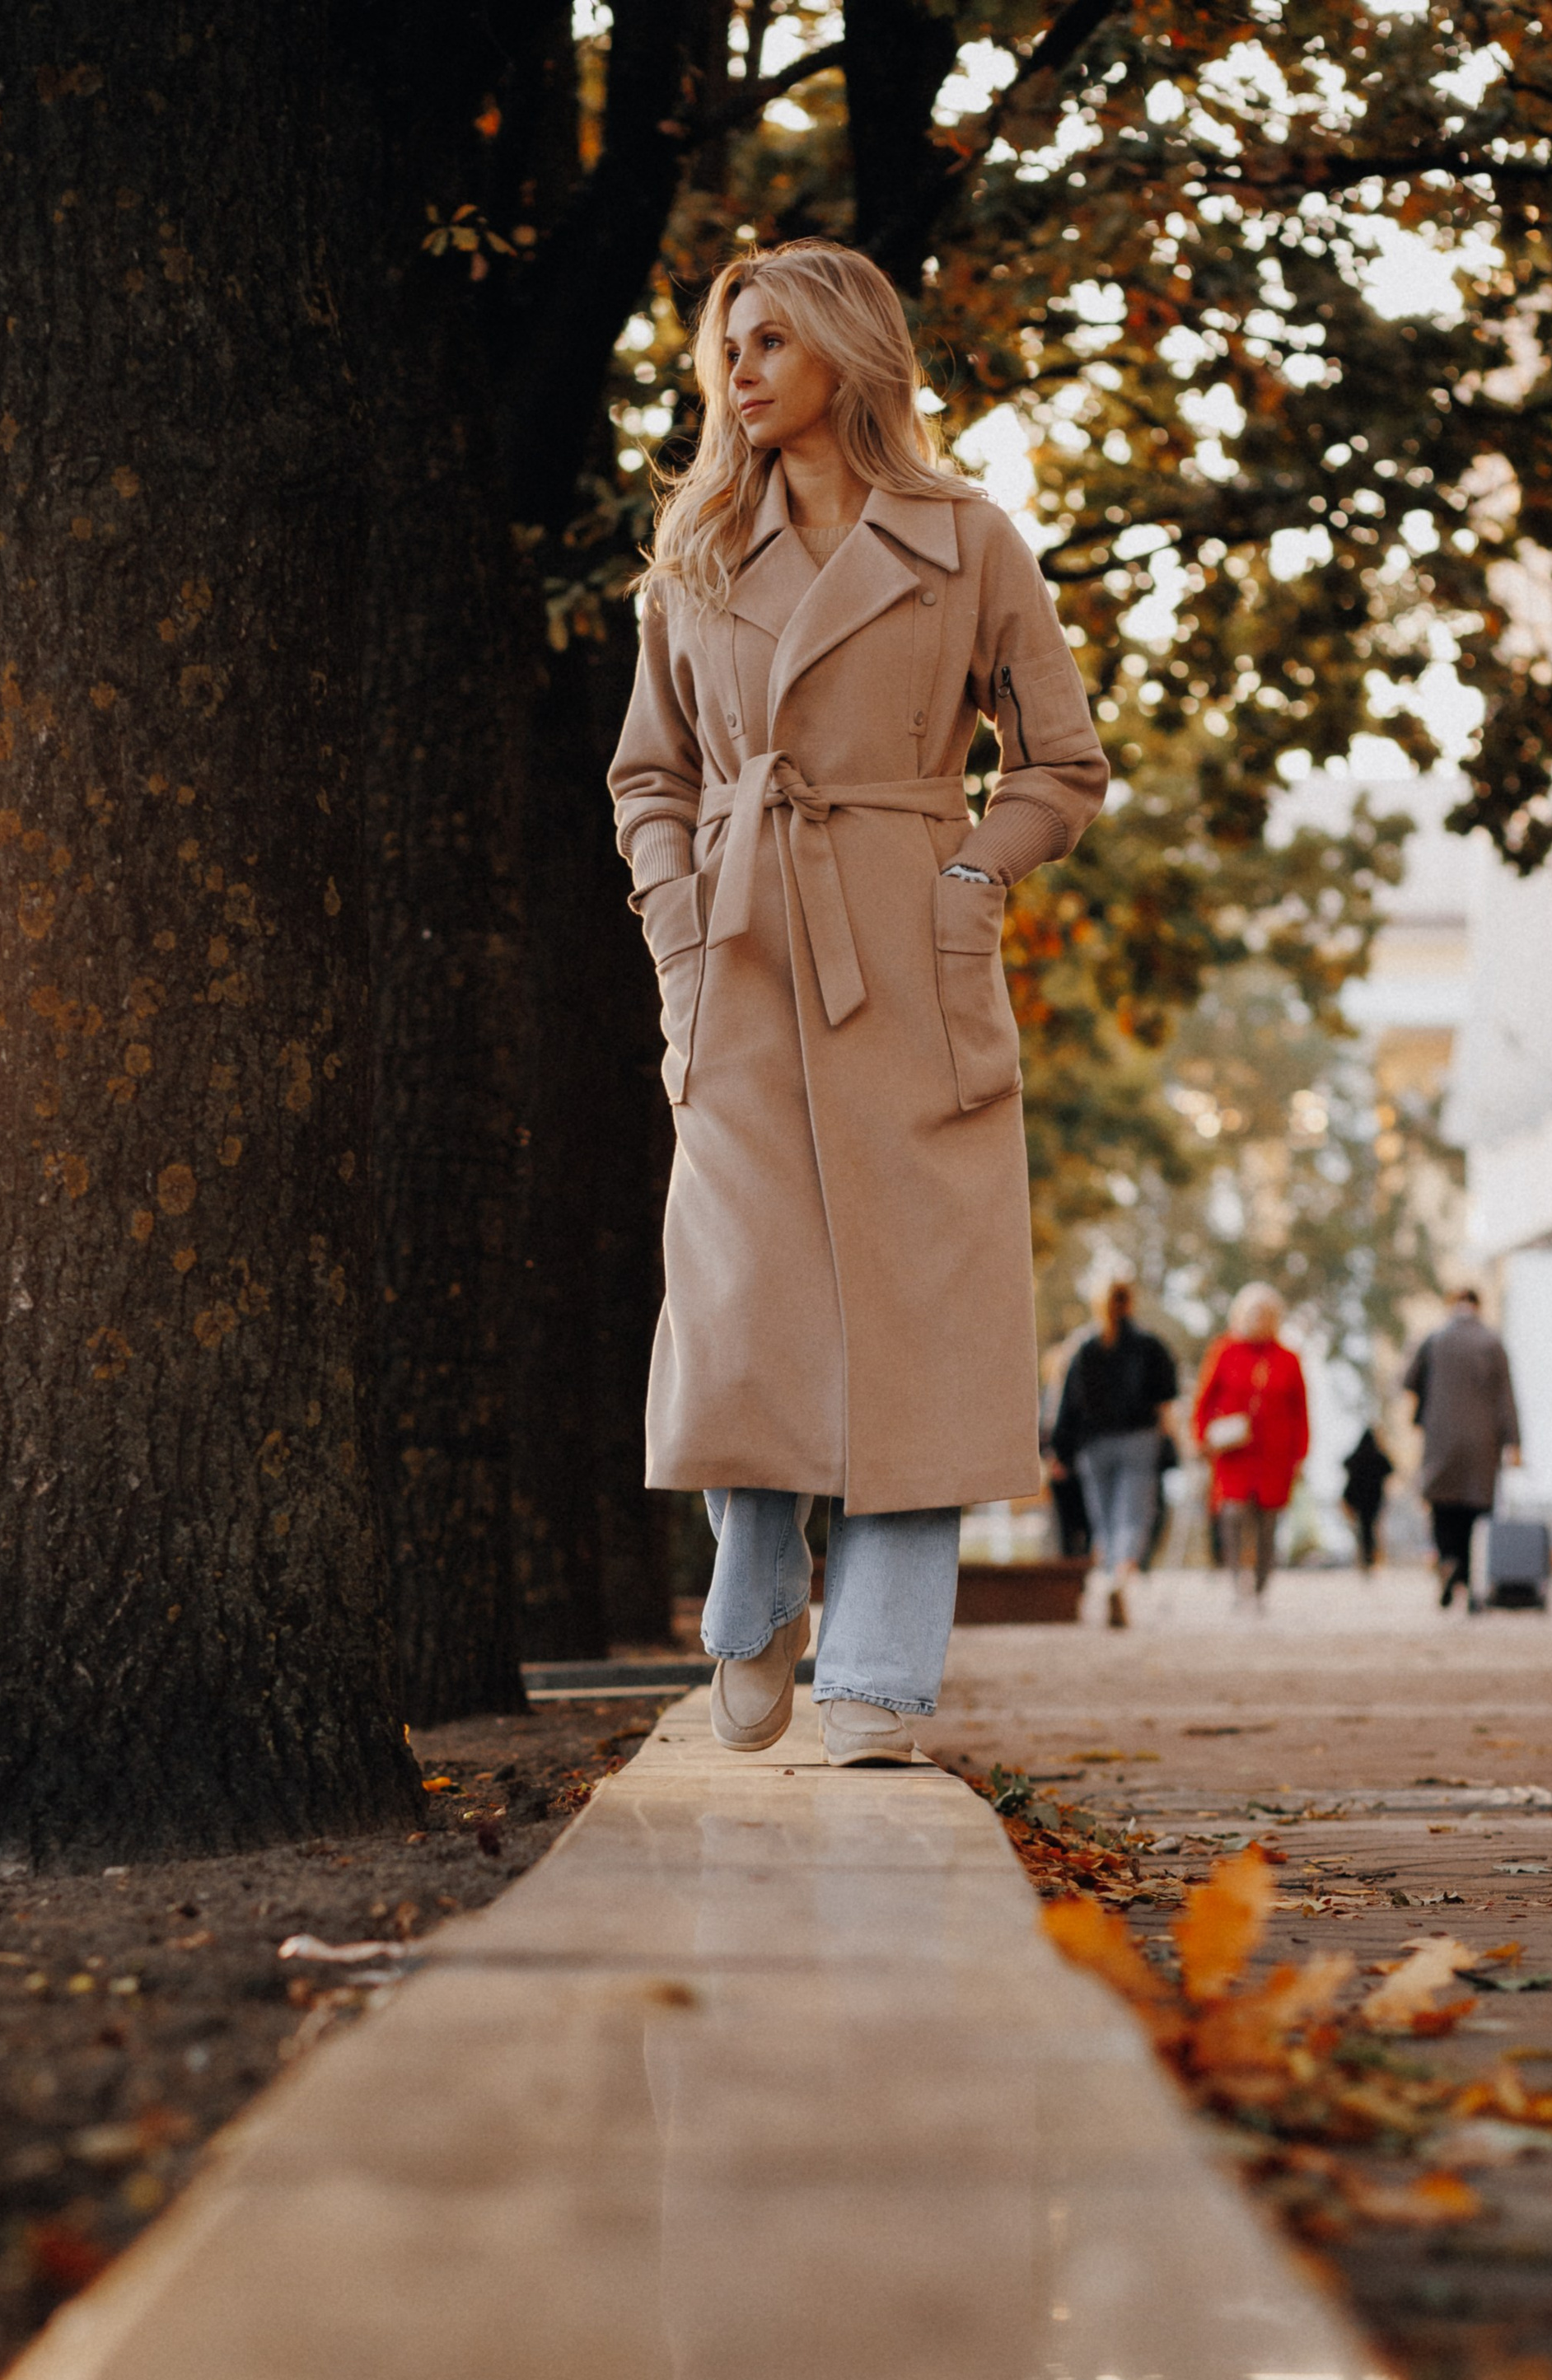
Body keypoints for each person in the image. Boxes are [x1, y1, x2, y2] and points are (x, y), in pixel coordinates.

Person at [609, 241, 1107, 1762]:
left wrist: (968, 886)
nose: (740, 369)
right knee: (746, 1291)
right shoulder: (694, 551)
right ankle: (754, 1589)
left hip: (907, 947)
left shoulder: (969, 539)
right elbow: (651, 778)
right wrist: (682, 940)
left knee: (923, 1302)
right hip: (743, 953)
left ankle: (883, 1674)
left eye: (769, 339)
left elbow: (1061, 764)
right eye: (728, 346)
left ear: (846, 348)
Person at [1049, 1281, 1178, 1629]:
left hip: (1094, 1445)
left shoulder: (1084, 1348)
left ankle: (1109, 1578)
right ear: (1131, 1302)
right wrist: (1172, 1444)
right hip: (1139, 1440)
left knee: (1103, 1518)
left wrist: (1059, 1450)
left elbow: (1068, 1406)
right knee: (1134, 1515)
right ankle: (1120, 1579)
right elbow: (1166, 1404)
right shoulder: (1151, 1345)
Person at [1402, 1287, 1521, 1609]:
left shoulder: (1433, 1339)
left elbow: (1408, 1380)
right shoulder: (1492, 1342)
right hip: (1483, 1442)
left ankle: (1447, 1560)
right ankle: (1471, 1581)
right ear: (1479, 1307)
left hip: (1441, 1439)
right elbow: (1505, 1397)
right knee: (1476, 1512)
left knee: (1442, 1506)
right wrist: (1514, 1442)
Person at [1192, 1284, 1310, 1600]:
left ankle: (1261, 1582)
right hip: (1234, 1454)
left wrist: (1300, 1455)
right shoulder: (1224, 1350)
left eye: (1265, 1314)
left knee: (1267, 1523)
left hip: (1275, 1455)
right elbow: (1204, 1399)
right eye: (1253, 1313)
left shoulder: (1288, 1358)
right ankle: (1235, 1579)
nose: (1258, 1319)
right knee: (1232, 1515)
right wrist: (1201, 1437)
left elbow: (1300, 1411)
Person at [1341, 1424, 1392, 1572]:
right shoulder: (1378, 1456)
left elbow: (1345, 1464)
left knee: (1364, 1528)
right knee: (1370, 1527)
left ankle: (1366, 1557)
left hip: (1358, 1499)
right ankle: (1369, 1557)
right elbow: (1390, 1469)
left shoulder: (1357, 1456)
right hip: (1374, 1498)